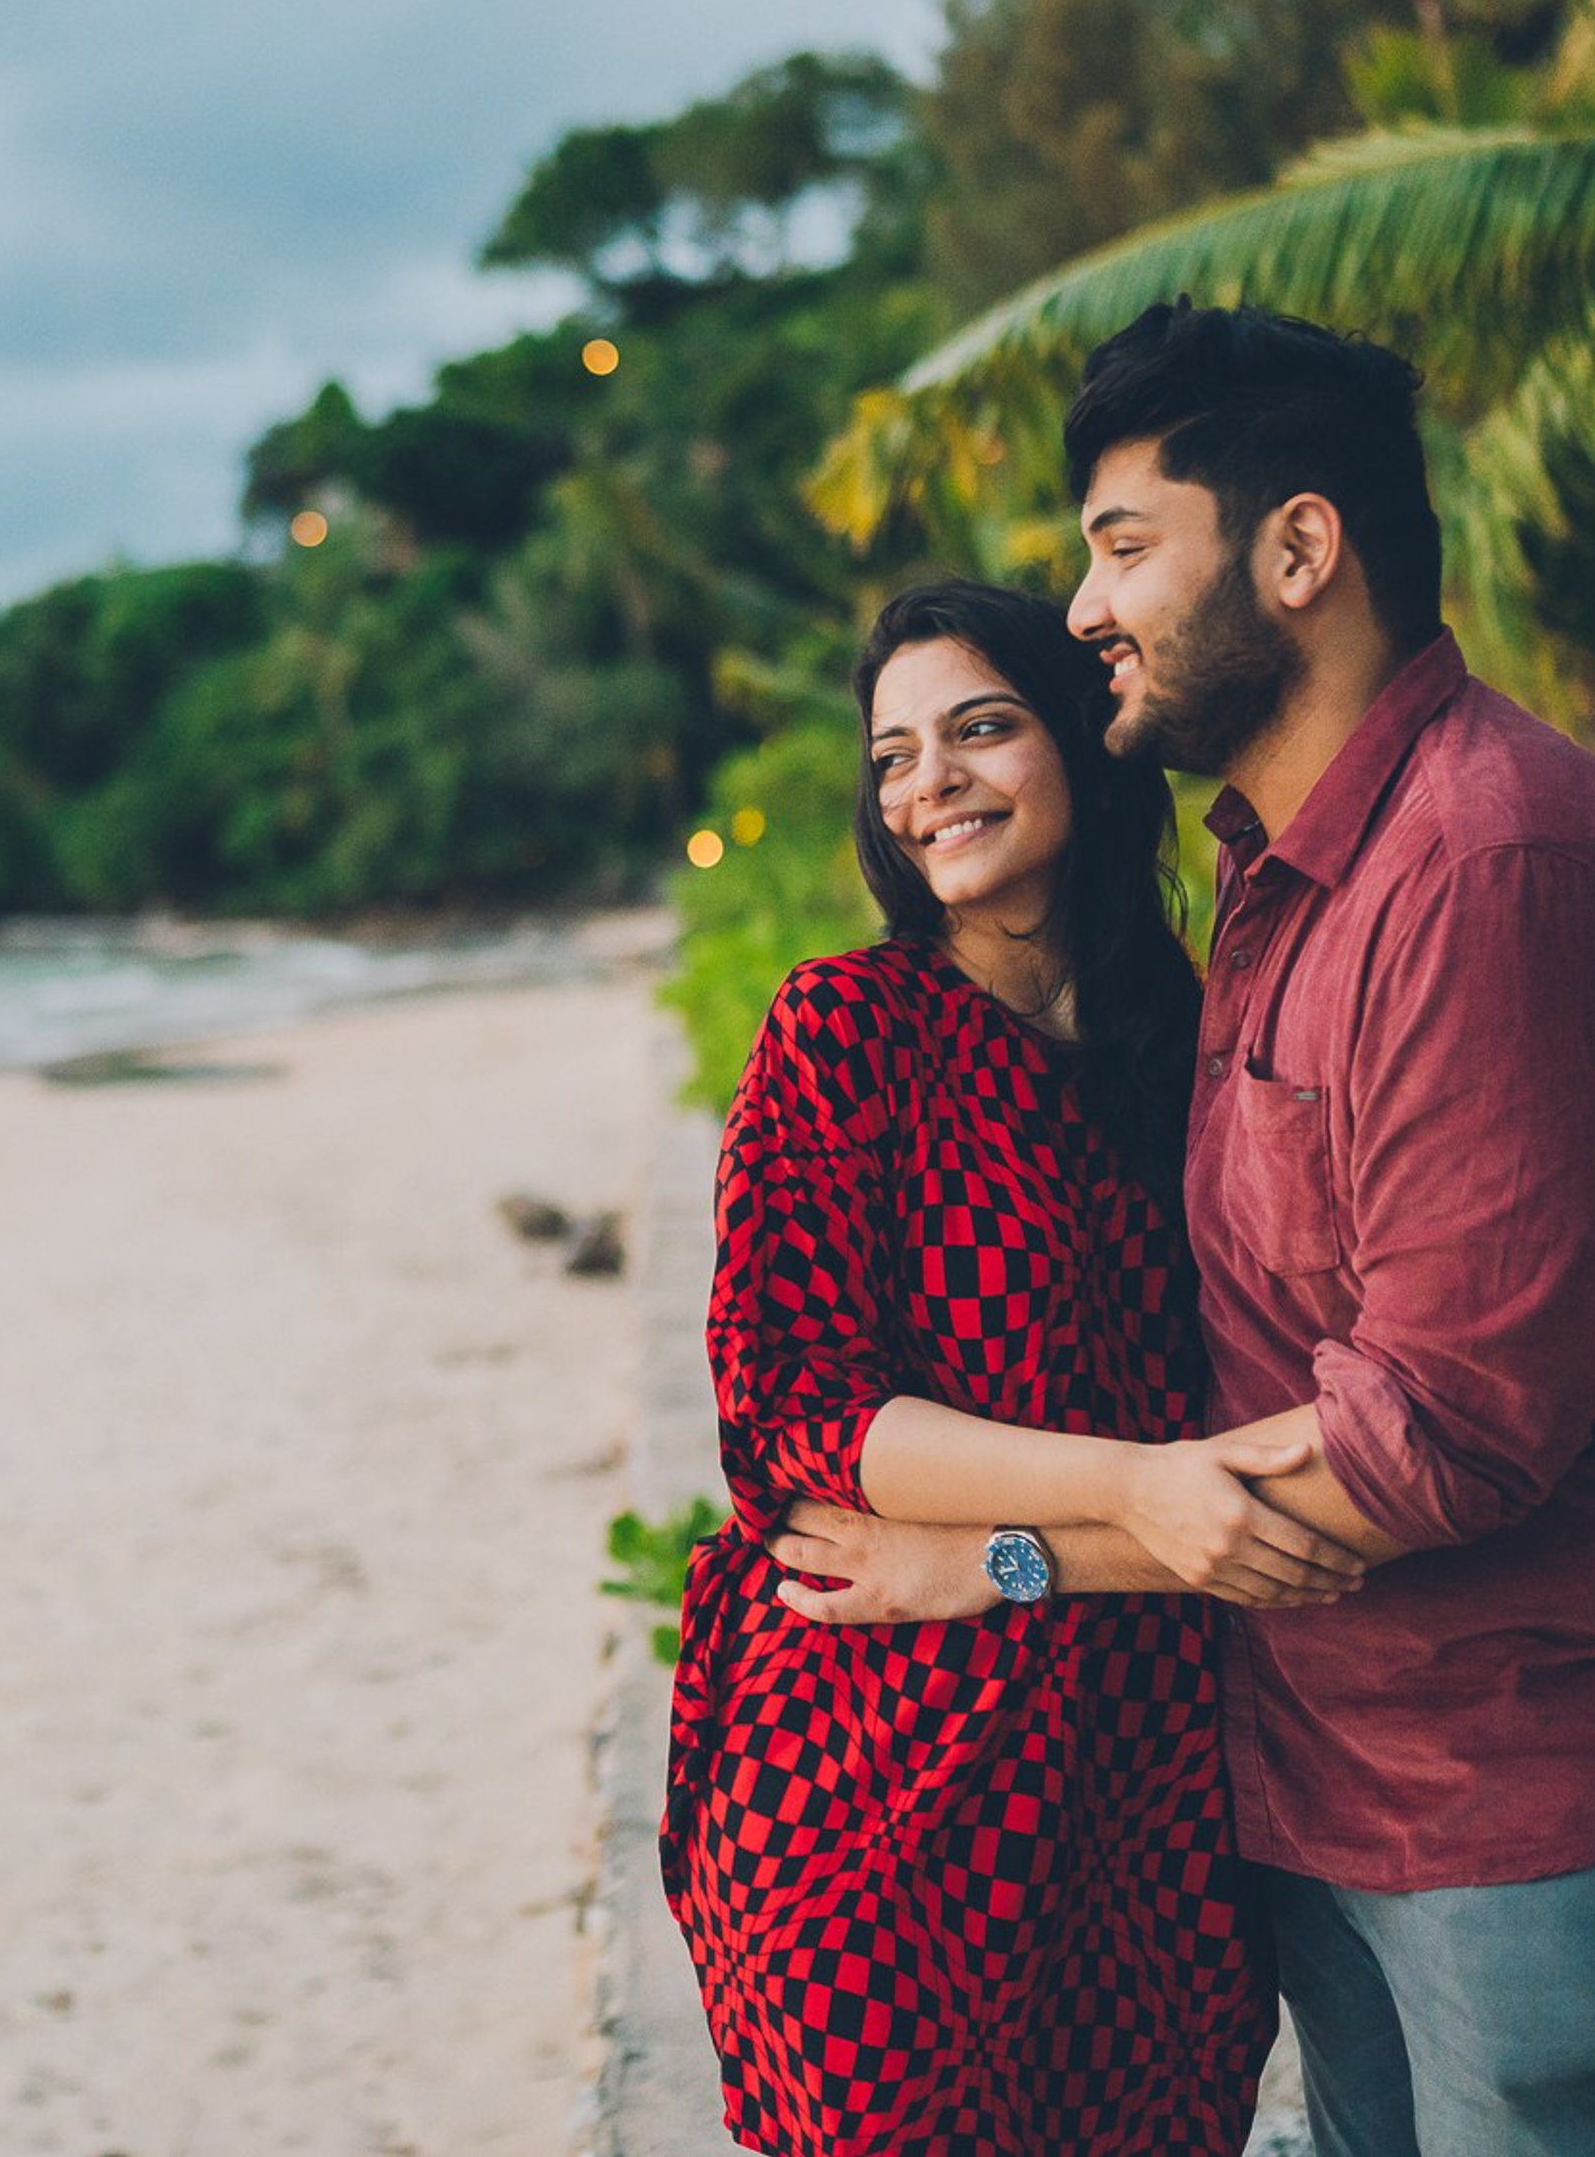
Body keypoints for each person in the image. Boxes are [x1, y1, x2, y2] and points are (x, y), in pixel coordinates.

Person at [776, 302, 1595, 2155]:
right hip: (1295, 1783)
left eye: (1124, 545)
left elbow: (1443, 1425)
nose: (1085, 607)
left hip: (1495, 1810)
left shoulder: (1481, 859)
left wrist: (999, 1559)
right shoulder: (1270, 883)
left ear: (1301, 552)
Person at [660, 578, 1346, 2157]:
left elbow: (1258, 1485)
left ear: (1085, 742)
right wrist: (1137, 1492)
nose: (928, 785)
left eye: (980, 729)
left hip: (1149, 1782)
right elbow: (795, 1416)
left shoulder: (1198, 1034)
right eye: (892, 755)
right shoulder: (846, 1029)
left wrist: (995, 1561)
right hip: (868, 1774)